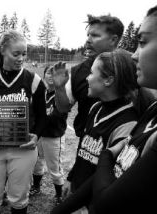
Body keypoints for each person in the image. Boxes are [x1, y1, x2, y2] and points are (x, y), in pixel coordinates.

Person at [51, 14, 155, 198]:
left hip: (115, 166)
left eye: (95, 36)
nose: (88, 40)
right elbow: (62, 108)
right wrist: (59, 88)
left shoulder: (137, 69)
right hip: (87, 150)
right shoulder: (78, 72)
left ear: (114, 39)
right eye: (88, 35)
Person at [50, 49, 140, 213]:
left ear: (108, 80)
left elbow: (112, 172)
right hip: (79, 189)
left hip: (95, 200)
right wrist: (71, 178)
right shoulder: (96, 107)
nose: (87, 78)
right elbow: (82, 150)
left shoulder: (128, 122)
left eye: (92, 73)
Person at [0, 30, 46, 214]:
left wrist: (36, 135)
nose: (21, 58)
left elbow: (42, 116)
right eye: (16, 54)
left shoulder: (34, 81)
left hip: (23, 149)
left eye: (24, 54)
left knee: (19, 199)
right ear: (3, 51)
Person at [29, 65, 68, 206]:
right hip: (39, 135)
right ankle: (36, 187)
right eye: (48, 73)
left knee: (54, 167)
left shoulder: (61, 94)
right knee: (37, 162)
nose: (51, 76)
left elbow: (56, 116)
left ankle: (59, 195)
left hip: (53, 135)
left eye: (54, 73)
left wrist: (40, 119)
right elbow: (33, 113)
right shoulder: (41, 93)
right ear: (44, 75)